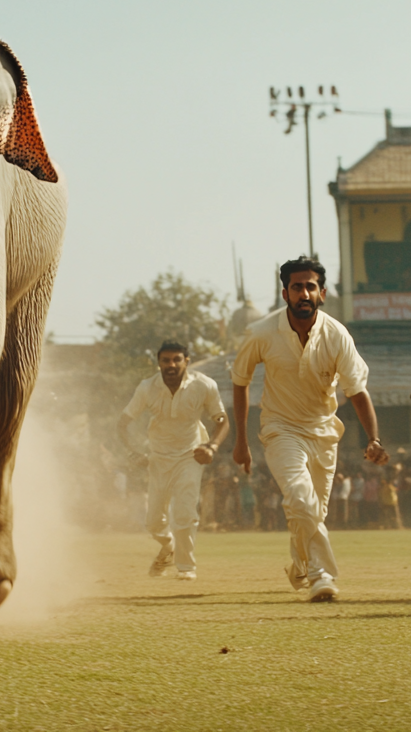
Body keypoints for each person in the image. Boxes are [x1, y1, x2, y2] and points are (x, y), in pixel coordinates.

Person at [231, 256, 389, 602]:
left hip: (324, 433)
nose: (304, 293)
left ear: (323, 293)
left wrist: (373, 438)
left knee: (311, 511)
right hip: (280, 429)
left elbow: (357, 390)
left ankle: (299, 566)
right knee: (301, 499)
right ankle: (322, 576)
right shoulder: (261, 332)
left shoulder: (337, 334)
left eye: (310, 287)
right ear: (285, 292)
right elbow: (240, 381)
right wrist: (241, 441)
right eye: (297, 287)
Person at [119, 340, 230, 581]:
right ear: (158, 363)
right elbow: (123, 423)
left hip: (191, 455)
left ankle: (186, 567)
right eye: (166, 360)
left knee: (185, 511)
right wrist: (133, 452)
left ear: (186, 361)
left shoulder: (204, 385)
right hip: (158, 458)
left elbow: (222, 420)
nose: (171, 365)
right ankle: (168, 546)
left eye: (177, 359)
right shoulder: (147, 387)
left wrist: (212, 446)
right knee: (153, 522)